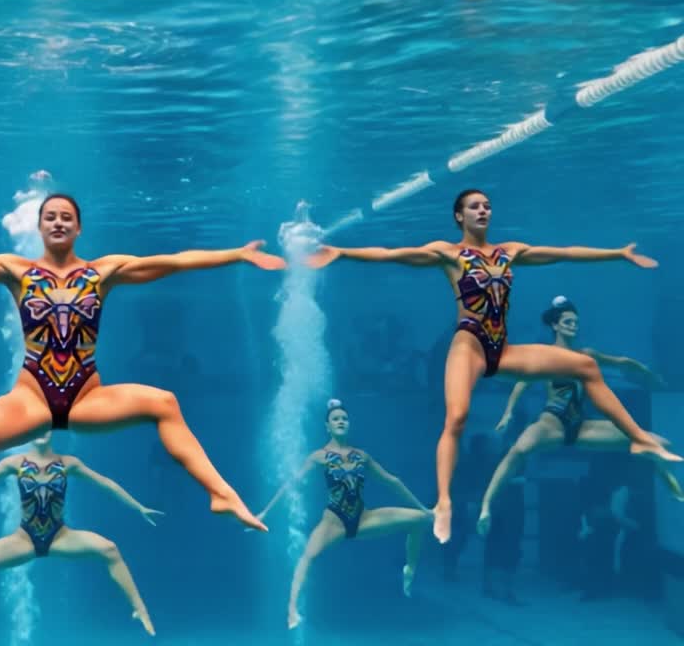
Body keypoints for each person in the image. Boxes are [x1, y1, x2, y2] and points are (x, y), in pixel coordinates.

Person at [0, 193, 286, 557]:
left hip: (88, 397)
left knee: (164, 403)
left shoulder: (103, 271)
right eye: (49, 217)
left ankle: (222, 495)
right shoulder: (16, 271)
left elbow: (175, 261)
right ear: (39, 226)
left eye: (66, 217)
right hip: (31, 396)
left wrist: (237, 255)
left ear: (78, 227)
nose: (57, 223)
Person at [308, 188, 679, 543]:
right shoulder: (448, 254)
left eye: (486, 205)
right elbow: (392, 254)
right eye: (474, 206)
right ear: (459, 216)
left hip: (501, 350)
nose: (483, 210)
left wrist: (618, 253)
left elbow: (563, 253)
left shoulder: (509, 252)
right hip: (468, 347)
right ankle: (444, 502)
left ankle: (642, 440)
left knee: (586, 365)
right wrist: (341, 252)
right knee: (456, 419)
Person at [478, 295, 682, 534]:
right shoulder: (545, 355)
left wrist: (648, 374)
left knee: (659, 442)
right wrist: (508, 412)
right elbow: (523, 381)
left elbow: (621, 362)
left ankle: (663, 471)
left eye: (575, 322)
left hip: (582, 425)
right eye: (567, 322)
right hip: (551, 423)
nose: (573, 326)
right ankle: (486, 506)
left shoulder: (586, 355)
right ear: (555, 325)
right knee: (518, 451)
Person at [0, 431, 159, 645]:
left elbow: (106, 483)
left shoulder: (68, 463)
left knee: (109, 549)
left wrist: (139, 508)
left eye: (46, 427)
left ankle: (140, 609)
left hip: (60, 537)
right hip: (25, 539)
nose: (42, 432)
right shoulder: (14, 463)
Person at [257, 399, 432, 630]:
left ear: (349, 424)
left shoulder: (362, 456)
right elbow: (292, 484)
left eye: (344, 419)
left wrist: (424, 509)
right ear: (327, 426)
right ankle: (292, 611)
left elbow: (392, 481)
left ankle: (409, 569)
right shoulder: (319, 456)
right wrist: (265, 513)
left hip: (364, 518)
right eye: (336, 419)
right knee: (307, 557)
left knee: (418, 520)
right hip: (334, 522)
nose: (341, 421)